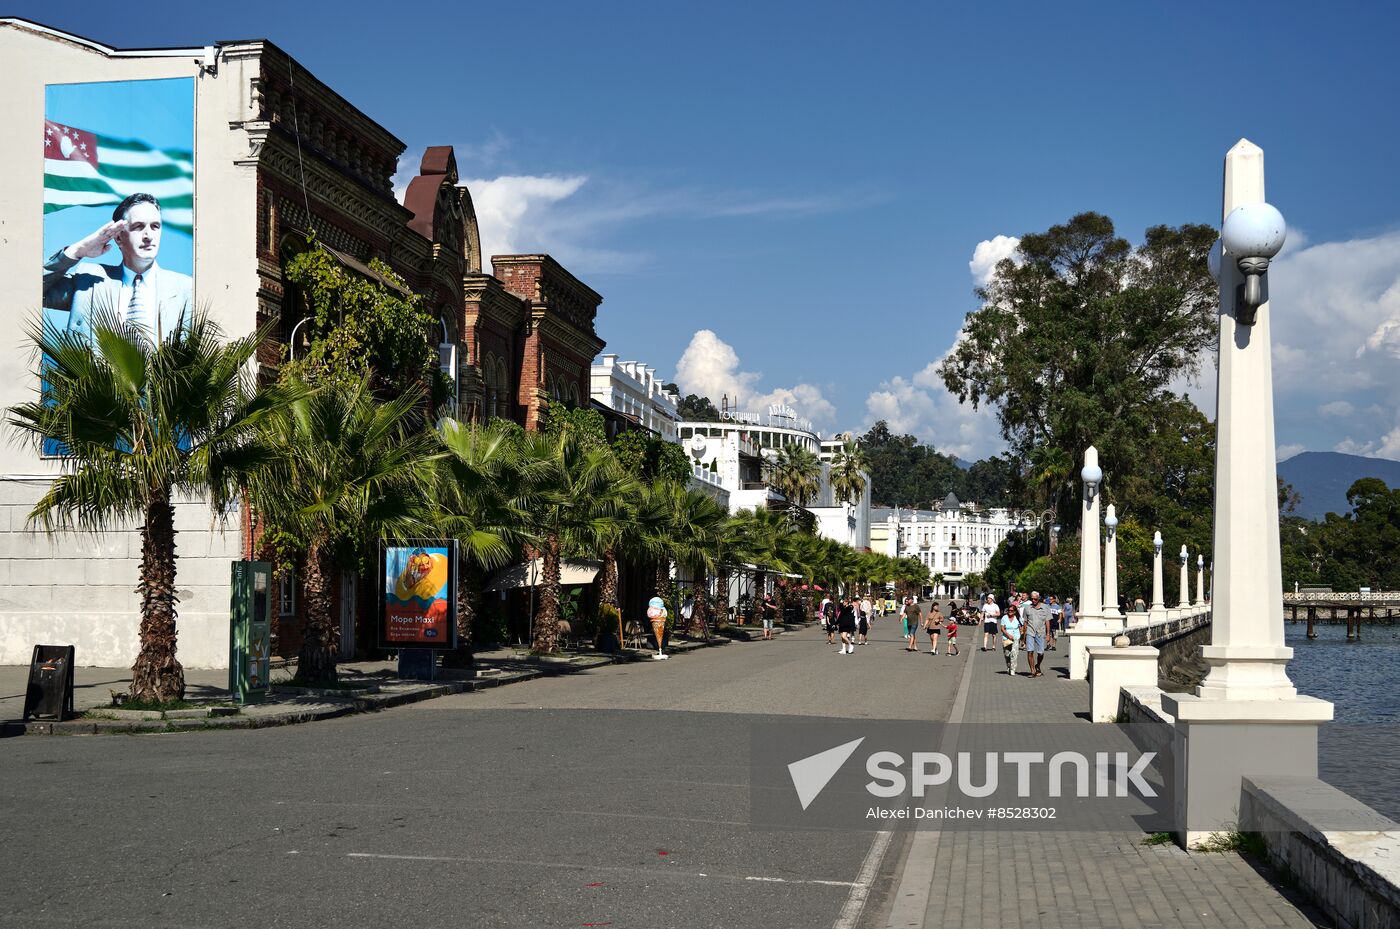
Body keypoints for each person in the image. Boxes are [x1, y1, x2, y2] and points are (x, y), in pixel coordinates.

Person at [44, 192, 192, 342]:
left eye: (155, 226)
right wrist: (78, 251)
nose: (149, 236)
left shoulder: (186, 288)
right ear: (119, 237)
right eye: (138, 226)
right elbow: (34, 290)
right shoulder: (90, 282)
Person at [1021, 590, 1052, 677]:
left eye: (1035, 599)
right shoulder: (1027, 608)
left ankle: (1037, 665)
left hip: (1041, 632)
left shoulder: (1045, 607)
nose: (1033, 601)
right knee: (1030, 651)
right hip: (1030, 632)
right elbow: (1025, 622)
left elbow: (1047, 621)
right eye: (1032, 599)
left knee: (1041, 653)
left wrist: (1048, 634)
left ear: (1039, 599)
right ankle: (1032, 670)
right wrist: (1024, 636)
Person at [999, 601, 1023, 675]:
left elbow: (1021, 628)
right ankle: (1009, 666)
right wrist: (1008, 635)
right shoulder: (1004, 618)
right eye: (1008, 610)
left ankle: (1013, 669)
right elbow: (1002, 628)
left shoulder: (1018, 618)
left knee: (1014, 654)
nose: (1010, 612)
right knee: (1007, 654)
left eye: (1012, 610)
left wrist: (1022, 638)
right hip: (1006, 638)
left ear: (1015, 611)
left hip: (1016, 637)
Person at [646, 595, 669, 660]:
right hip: (659, 619)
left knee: (659, 635)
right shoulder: (662, 610)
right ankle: (660, 649)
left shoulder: (654, 609)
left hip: (658, 619)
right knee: (659, 634)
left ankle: (660, 649)